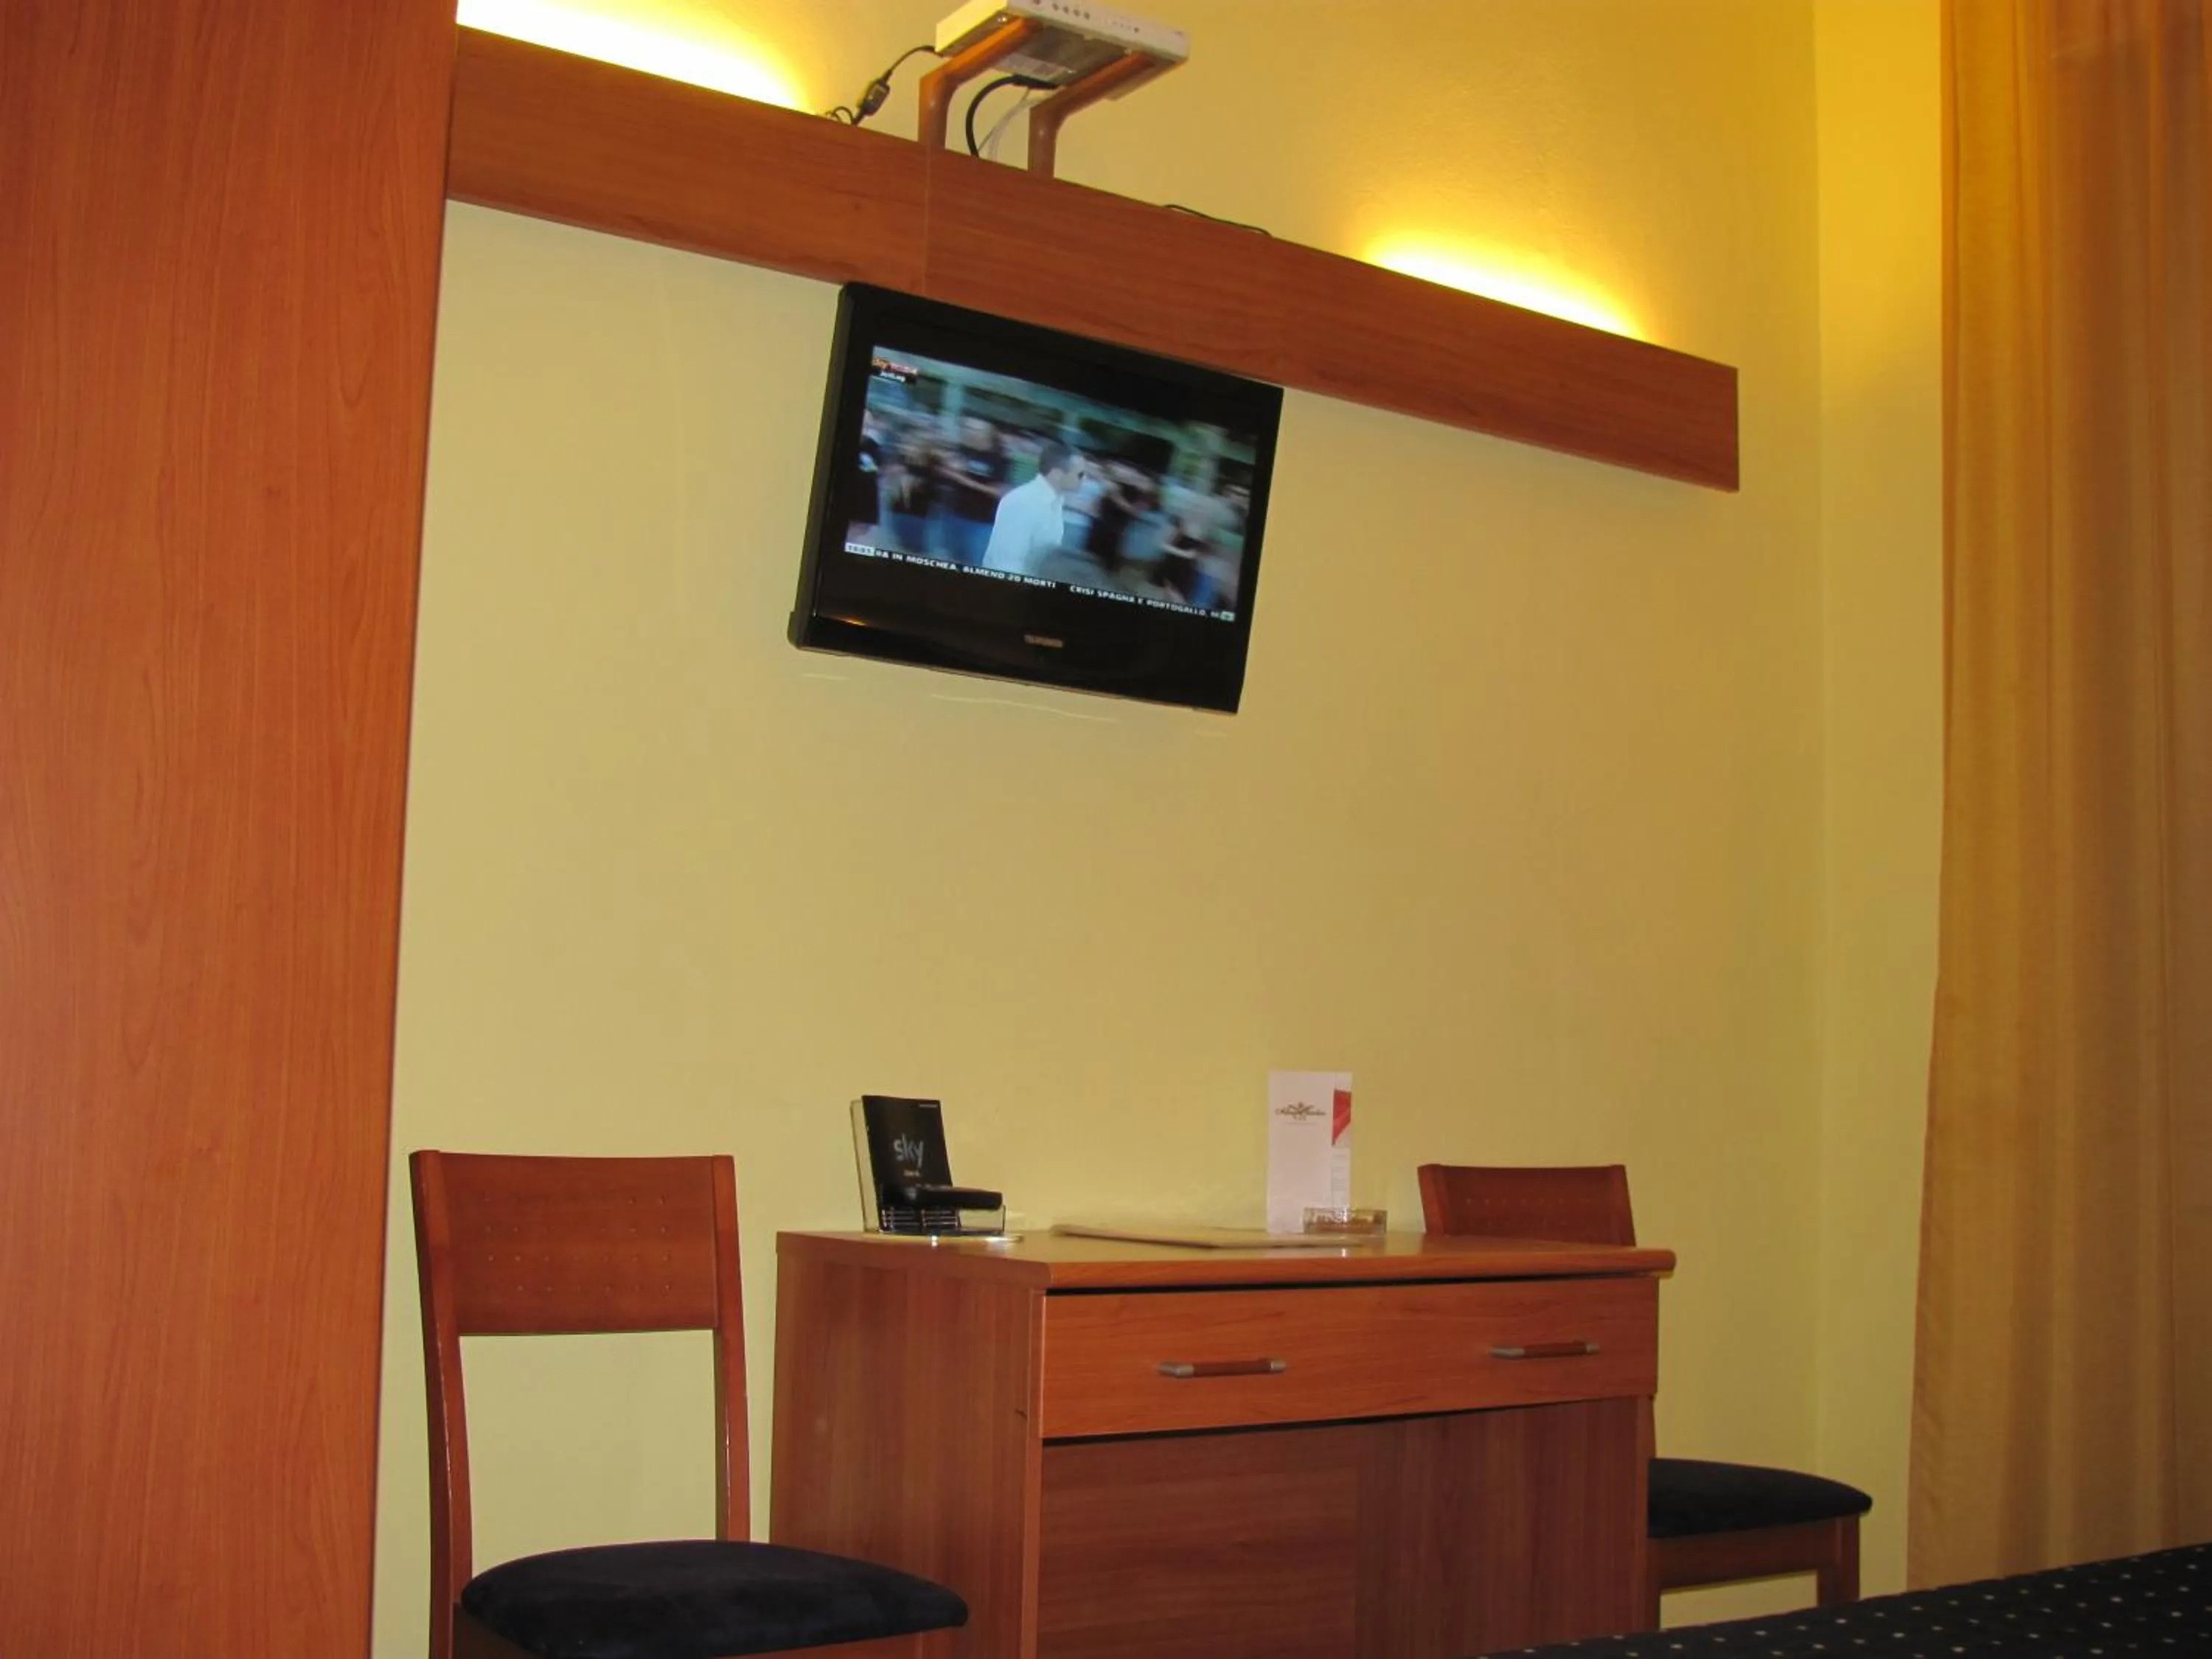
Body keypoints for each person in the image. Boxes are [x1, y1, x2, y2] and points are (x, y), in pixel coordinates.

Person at [983, 442, 1086, 577]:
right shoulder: (1024, 502)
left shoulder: (1054, 502)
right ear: (1057, 474)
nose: (1084, 479)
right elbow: (1005, 562)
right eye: (1080, 474)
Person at [933, 417, 1009, 567]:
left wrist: (962, 479)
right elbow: (942, 472)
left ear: (988, 434)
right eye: (967, 428)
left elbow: (998, 492)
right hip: (952, 513)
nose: (970, 432)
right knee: (952, 557)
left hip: (980, 521)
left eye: (975, 429)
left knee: (974, 562)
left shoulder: (999, 459)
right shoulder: (960, 450)